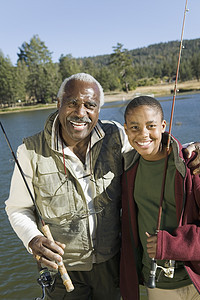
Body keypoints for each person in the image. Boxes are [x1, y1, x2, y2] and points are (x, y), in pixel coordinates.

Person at [5, 74, 200, 300]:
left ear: (99, 110)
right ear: (59, 104)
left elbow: (150, 147)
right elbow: (17, 208)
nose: (80, 113)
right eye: (72, 103)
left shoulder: (117, 135)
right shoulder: (29, 151)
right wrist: (33, 239)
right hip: (63, 270)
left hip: (111, 265)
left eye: (90, 105)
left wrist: (190, 150)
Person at [120, 96, 200, 300]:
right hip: (159, 285)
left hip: (196, 279)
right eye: (135, 127)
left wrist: (171, 245)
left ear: (163, 126)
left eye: (151, 126)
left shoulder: (191, 167)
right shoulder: (126, 171)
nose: (143, 134)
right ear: (126, 129)